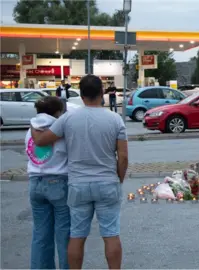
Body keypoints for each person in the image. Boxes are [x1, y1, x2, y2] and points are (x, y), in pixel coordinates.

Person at [30, 74, 129, 269]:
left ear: (81, 95)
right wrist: (119, 179)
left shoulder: (68, 118)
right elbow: (123, 157)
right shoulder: (115, 119)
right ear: (102, 93)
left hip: (78, 185)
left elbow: (41, 141)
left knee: (77, 236)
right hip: (107, 182)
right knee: (111, 234)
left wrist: (34, 126)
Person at [27, 96, 69, 270]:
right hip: (58, 182)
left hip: (35, 182)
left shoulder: (31, 130)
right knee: (64, 235)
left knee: (40, 235)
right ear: (58, 112)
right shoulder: (58, 128)